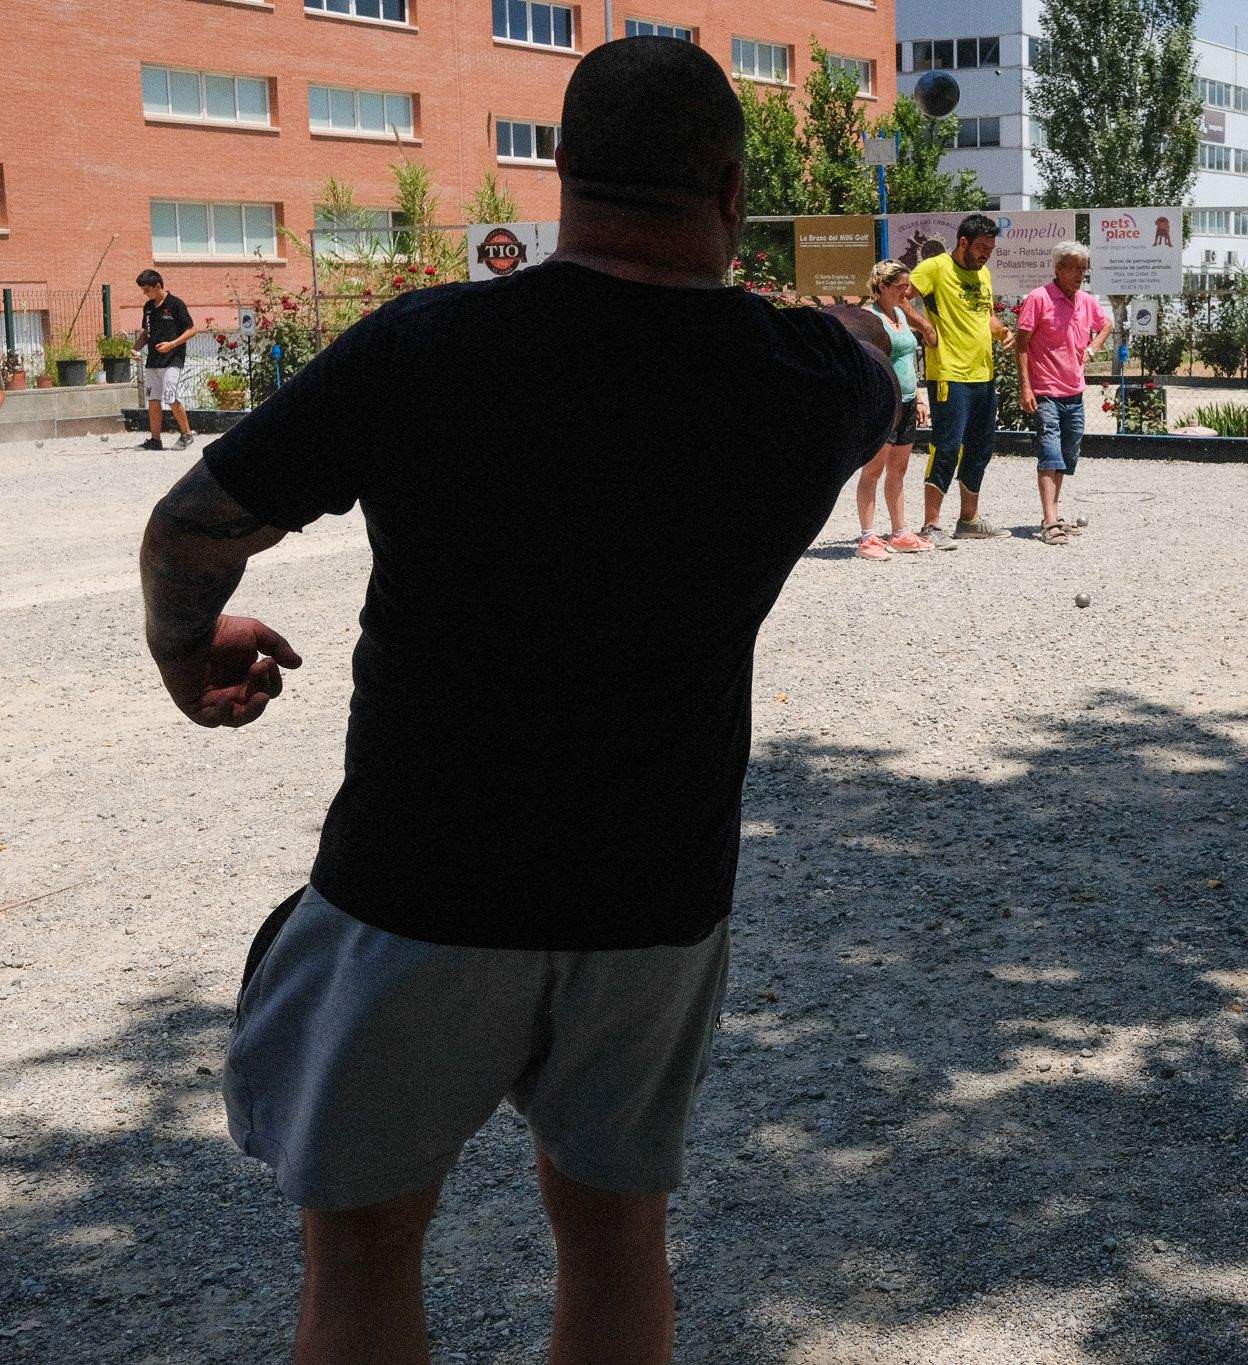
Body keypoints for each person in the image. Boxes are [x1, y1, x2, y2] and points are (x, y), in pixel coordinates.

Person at [135, 36, 897, 1363]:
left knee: (365, 1249)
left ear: (565, 179)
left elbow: (190, 529)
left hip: (417, 885)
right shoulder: (814, 389)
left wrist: (186, 657)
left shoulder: (422, 347)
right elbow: (872, 340)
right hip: (654, 903)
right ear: (727, 188)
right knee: (616, 1232)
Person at [909, 215, 1010, 545]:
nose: (986, 255)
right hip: (949, 375)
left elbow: (987, 316)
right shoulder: (935, 268)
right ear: (963, 242)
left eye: (991, 249)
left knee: (981, 448)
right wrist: (925, 327)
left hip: (984, 375)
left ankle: (968, 520)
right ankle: (931, 525)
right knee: (947, 448)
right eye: (981, 248)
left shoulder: (984, 274)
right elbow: (897, 296)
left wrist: (1003, 332)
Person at [1014, 240, 1110, 544]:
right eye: (1074, 268)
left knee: (1067, 457)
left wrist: (1092, 349)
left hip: (1074, 393)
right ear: (1058, 269)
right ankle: (1050, 521)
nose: (1080, 274)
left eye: (1083, 268)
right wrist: (1025, 386)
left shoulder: (1086, 301)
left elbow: (1107, 323)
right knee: (1050, 454)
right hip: (1046, 392)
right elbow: (1021, 344)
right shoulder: (1039, 298)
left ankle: (1052, 515)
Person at [853, 259, 937, 559]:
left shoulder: (902, 314)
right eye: (901, 286)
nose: (908, 291)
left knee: (899, 470)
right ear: (882, 287)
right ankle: (867, 537)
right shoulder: (868, 319)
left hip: (907, 400)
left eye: (908, 286)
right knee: (873, 470)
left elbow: (909, 361)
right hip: (883, 403)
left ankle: (900, 532)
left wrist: (919, 396)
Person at [136, 269, 197, 450]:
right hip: (153, 361)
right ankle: (155, 440)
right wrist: (135, 348)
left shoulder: (176, 304)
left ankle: (187, 434)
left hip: (173, 359)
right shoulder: (147, 307)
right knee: (153, 400)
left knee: (170, 396)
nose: (145, 294)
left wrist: (172, 344)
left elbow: (192, 330)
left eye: (147, 289)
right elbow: (146, 334)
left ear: (158, 286)